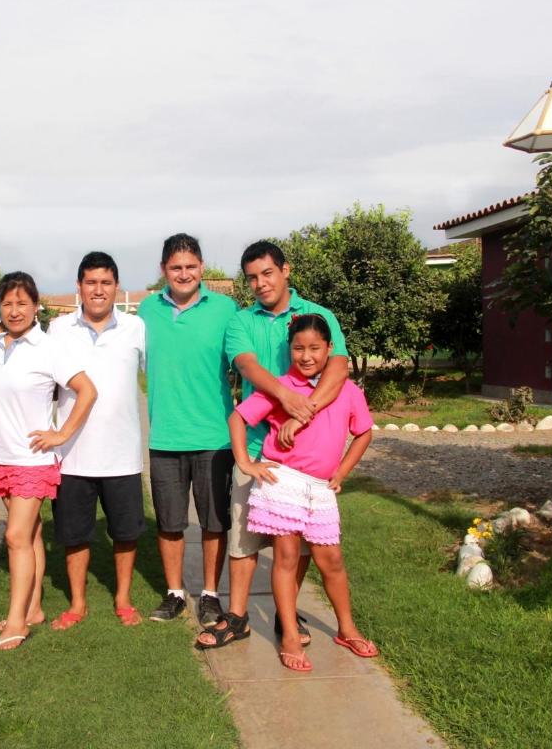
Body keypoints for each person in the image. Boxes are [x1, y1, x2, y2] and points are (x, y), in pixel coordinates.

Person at [198, 240, 350, 650]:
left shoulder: (318, 316)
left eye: (267, 273)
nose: (260, 283)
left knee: (295, 545)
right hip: (256, 445)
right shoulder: (241, 321)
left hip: (302, 455)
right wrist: (286, 398)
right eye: (252, 278)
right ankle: (238, 616)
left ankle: (286, 615)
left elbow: (338, 367)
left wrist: (302, 414)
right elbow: (247, 365)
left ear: (285, 270)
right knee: (244, 538)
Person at [227, 313, 376, 671]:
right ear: (289, 349)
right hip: (284, 484)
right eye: (298, 348)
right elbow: (238, 418)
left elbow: (364, 431)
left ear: (329, 348)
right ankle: (290, 636)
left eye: (314, 348)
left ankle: (347, 629)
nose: (306, 356)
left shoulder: (346, 390)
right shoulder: (282, 387)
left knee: (331, 560)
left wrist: (342, 470)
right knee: (287, 557)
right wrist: (245, 462)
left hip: (321, 489)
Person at [0, 271, 97, 650]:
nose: (14, 311)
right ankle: (33, 609)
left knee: (15, 536)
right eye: (7, 303)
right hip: (0, 457)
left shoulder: (48, 347)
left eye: (22, 303)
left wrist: (61, 434)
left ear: (35, 307)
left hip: (32, 460)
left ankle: (16, 622)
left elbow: (87, 391)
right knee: (29, 535)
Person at [136, 234, 238, 626]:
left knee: (214, 522)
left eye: (190, 266)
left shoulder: (226, 309)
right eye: (176, 267)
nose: (183, 274)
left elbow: (245, 363)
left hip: (215, 438)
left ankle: (210, 594)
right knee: (169, 522)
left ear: (202, 267)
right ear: (163, 269)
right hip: (165, 437)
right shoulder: (147, 310)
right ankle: (175, 592)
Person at [47, 251, 147, 630]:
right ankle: (77, 603)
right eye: (91, 282)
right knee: (74, 535)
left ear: (116, 286)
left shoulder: (136, 328)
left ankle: (123, 598)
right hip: (72, 454)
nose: (99, 290)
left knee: (125, 533)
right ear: (79, 286)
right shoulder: (58, 329)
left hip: (123, 453)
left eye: (106, 282)